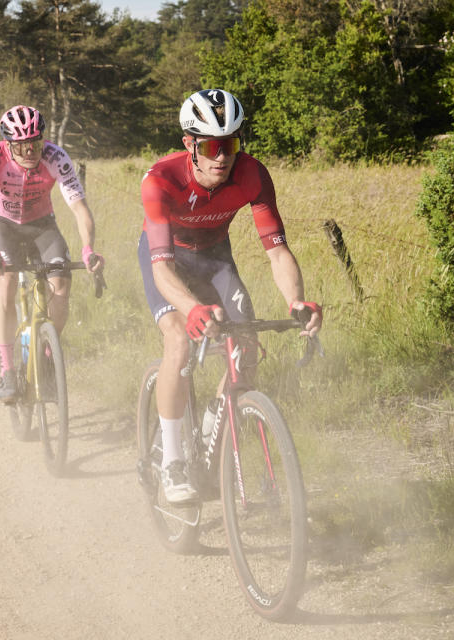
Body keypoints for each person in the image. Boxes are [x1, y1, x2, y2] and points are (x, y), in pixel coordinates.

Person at [138, 88, 322, 504]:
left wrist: (296, 302)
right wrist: (192, 309)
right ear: (191, 144)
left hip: (215, 258)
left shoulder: (252, 175)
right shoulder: (161, 180)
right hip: (167, 260)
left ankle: (212, 425)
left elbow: (277, 252)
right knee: (181, 341)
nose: (223, 156)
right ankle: (173, 459)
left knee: (247, 348)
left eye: (232, 144)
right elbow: (162, 269)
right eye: (212, 146)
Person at [0, 106, 103, 403]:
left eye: (35, 142)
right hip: (2, 225)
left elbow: (80, 209)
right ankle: (6, 368)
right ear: (8, 144)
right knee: (5, 284)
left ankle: (46, 353)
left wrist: (88, 248)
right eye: (22, 145)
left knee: (62, 283)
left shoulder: (55, 157)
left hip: (42, 225)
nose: (30, 150)